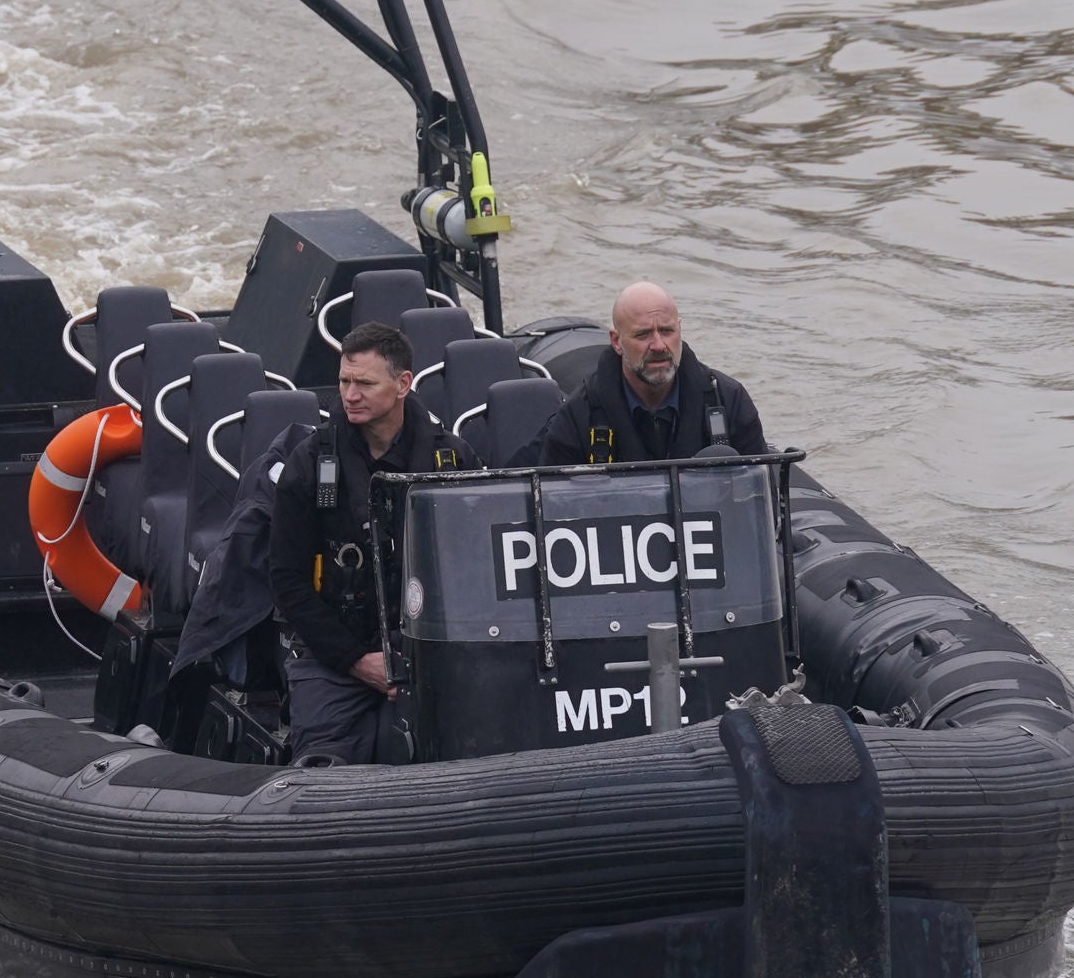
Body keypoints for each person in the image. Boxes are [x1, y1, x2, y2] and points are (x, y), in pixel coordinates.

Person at [269, 320, 479, 764]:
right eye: (344, 381)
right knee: (325, 766)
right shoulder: (309, 465)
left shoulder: (454, 461)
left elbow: (480, 571)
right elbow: (288, 581)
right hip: (333, 658)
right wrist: (354, 659)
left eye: (364, 383)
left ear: (403, 384)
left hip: (431, 656)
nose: (349, 395)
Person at [532, 280, 766, 465]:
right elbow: (552, 505)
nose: (658, 345)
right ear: (616, 341)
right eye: (643, 335)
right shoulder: (579, 414)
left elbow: (765, 495)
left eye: (667, 331)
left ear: (680, 329)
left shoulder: (728, 399)